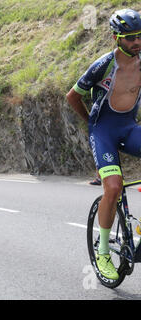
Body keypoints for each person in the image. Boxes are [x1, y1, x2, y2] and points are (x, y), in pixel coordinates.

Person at [66, 8, 141, 280]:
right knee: (113, 185)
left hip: (129, 127)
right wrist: (91, 124)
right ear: (116, 38)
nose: (137, 42)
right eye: (130, 37)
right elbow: (72, 96)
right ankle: (103, 252)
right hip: (104, 131)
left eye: (139, 36)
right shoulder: (103, 65)